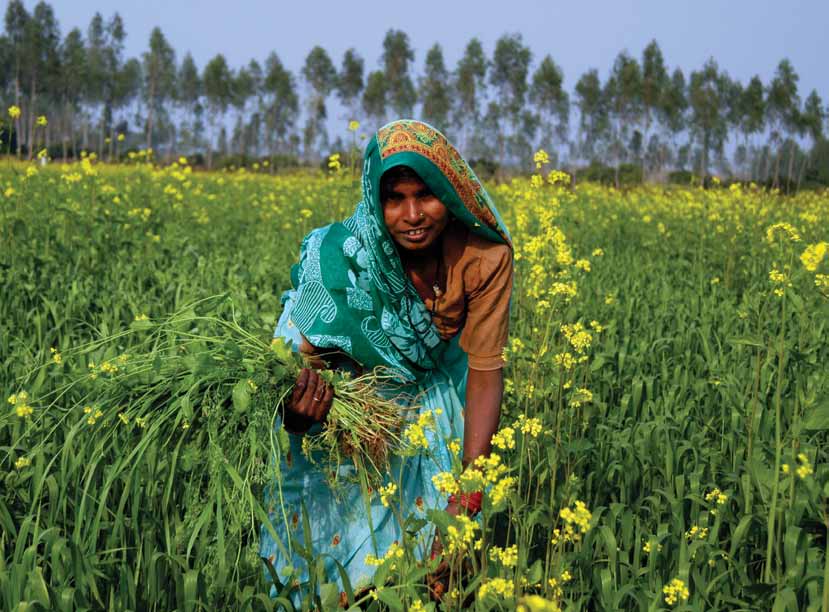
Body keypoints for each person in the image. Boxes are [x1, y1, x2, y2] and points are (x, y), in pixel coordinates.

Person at [260, 119, 513, 603]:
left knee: (434, 568)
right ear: (375, 203)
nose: (412, 214)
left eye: (426, 194)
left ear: (451, 192)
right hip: (349, 408)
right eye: (394, 198)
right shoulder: (346, 257)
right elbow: (299, 357)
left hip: (427, 407)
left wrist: (469, 491)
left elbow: (484, 373)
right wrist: (295, 409)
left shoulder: (484, 258)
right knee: (336, 568)